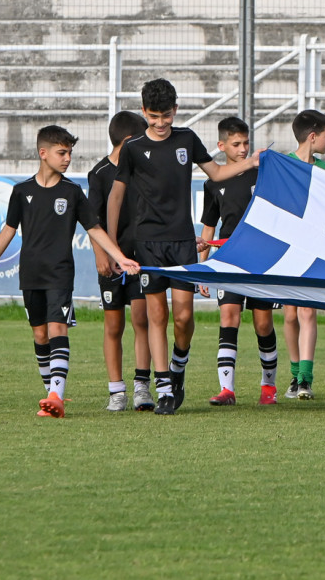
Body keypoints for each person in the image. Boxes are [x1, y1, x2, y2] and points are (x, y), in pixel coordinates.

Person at [107, 78, 263, 416]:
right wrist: (113, 247)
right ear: (144, 113)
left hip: (181, 243)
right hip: (147, 244)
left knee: (183, 316)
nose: (160, 123)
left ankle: (178, 365)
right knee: (156, 315)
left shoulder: (187, 139)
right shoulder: (133, 148)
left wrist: (250, 163)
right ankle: (164, 387)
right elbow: (116, 195)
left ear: (175, 111)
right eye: (153, 117)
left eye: (166, 116)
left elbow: (218, 173)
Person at [0, 126, 141, 418]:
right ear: (43, 153)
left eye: (70, 153)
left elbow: (95, 229)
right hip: (30, 275)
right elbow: (8, 230)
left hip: (60, 274)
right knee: (40, 335)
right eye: (62, 152)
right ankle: (50, 392)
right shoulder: (21, 192)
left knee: (57, 329)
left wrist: (120, 257)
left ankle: (56, 396)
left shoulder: (72, 192)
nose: (67, 158)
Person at [198, 117, 280, 407]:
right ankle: (226, 389)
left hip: (259, 260)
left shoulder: (264, 175)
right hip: (229, 260)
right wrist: (202, 270)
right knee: (228, 316)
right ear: (221, 147)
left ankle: (268, 387)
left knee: (262, 323)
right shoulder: (213, 184)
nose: (243, 148)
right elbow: (208, 230)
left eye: (246, 143)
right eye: (236, 144)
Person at [87, 110, 152, 411]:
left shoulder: (142, 170)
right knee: (114, 326)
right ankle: (117, 391)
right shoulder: (99, 173)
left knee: (142, 319)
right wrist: (102, 253)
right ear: (127, 141)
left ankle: (142, 387)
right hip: (111, 261)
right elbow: (91, 221)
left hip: (140, 259)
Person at [283, 109, 325, 399]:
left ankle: (305, 379)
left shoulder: (324, 169)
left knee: (307, 310)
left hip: (313, 249)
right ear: (313, 137)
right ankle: (293, 375)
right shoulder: (282, 165)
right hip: (288, 249)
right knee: (290, 315)